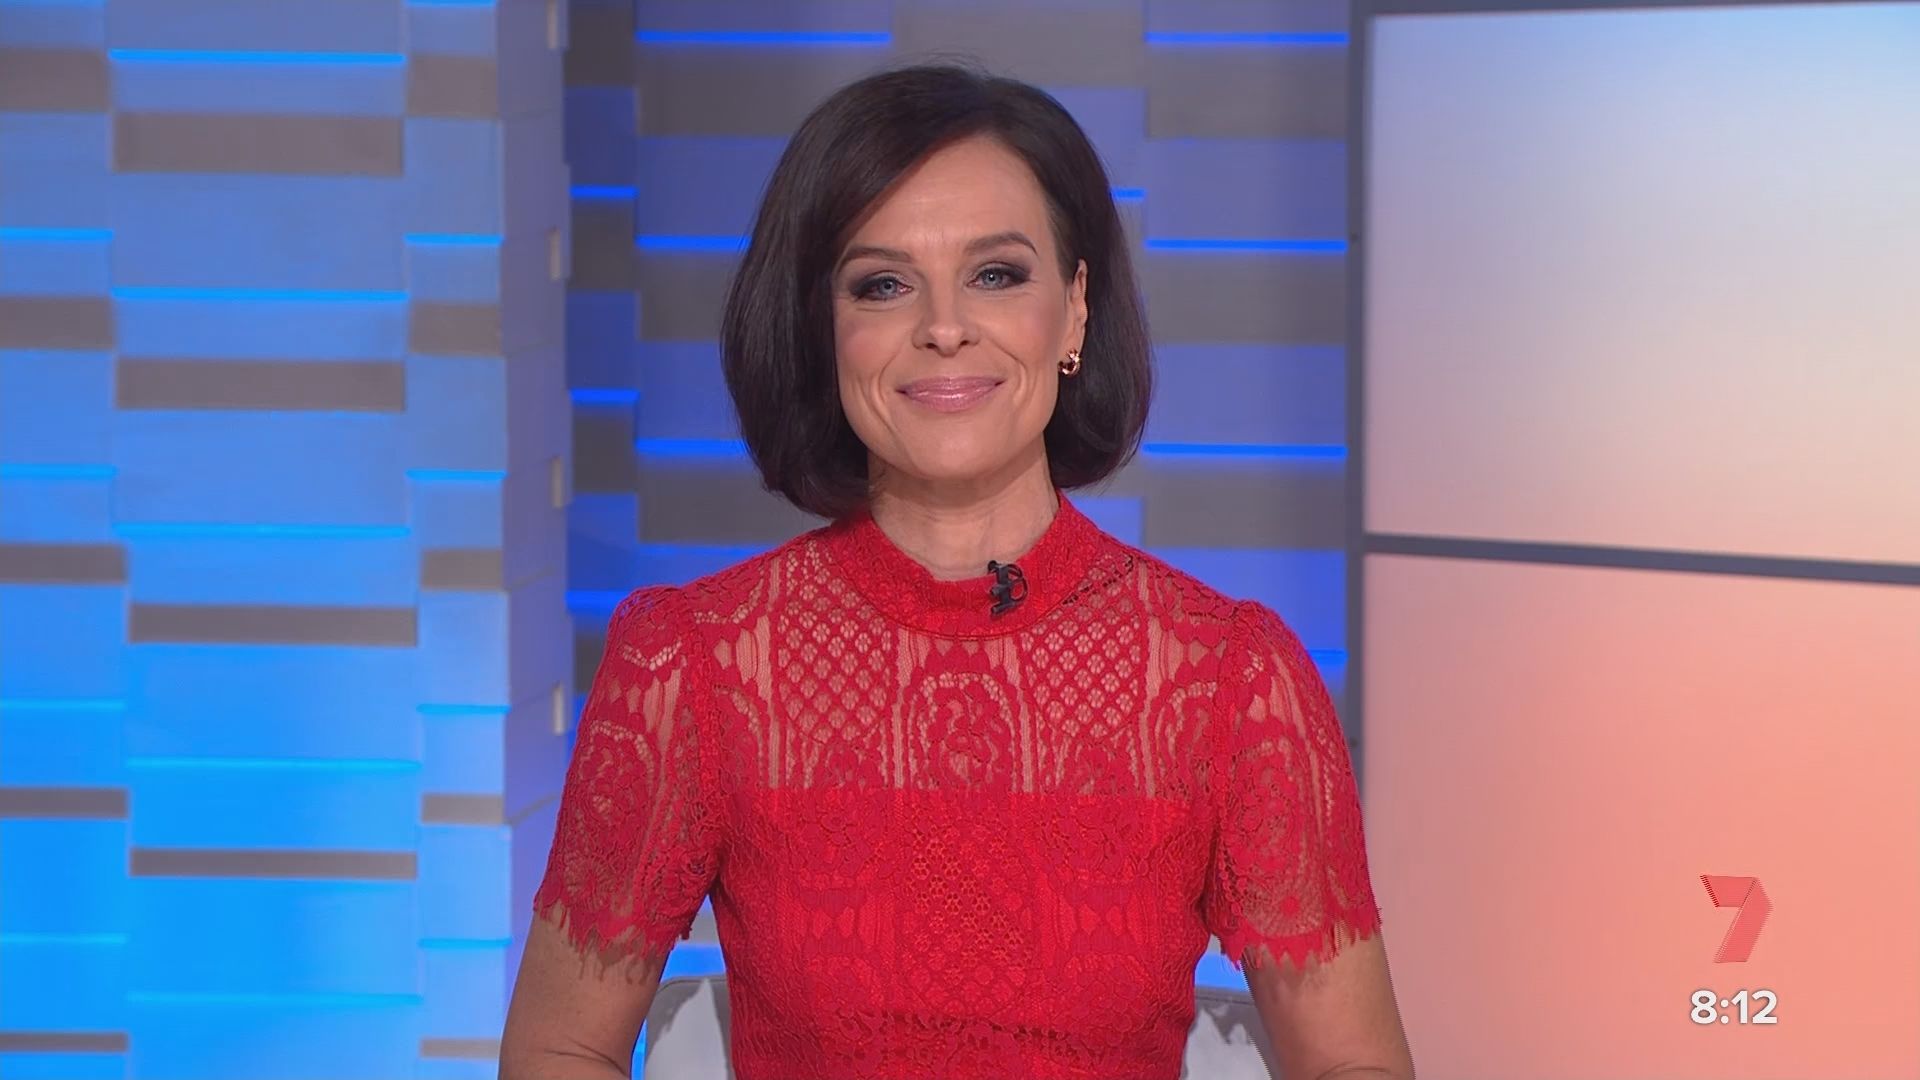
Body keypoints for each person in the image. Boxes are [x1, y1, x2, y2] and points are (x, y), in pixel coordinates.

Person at [501, 62, 1415, 1080]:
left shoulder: (1229, 677)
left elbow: (1356, 1065)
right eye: (883, 284)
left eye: (996, 274)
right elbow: (559, 1049)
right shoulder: (693, 664)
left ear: (1074, 311)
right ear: (824, 328)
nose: (944, 327)